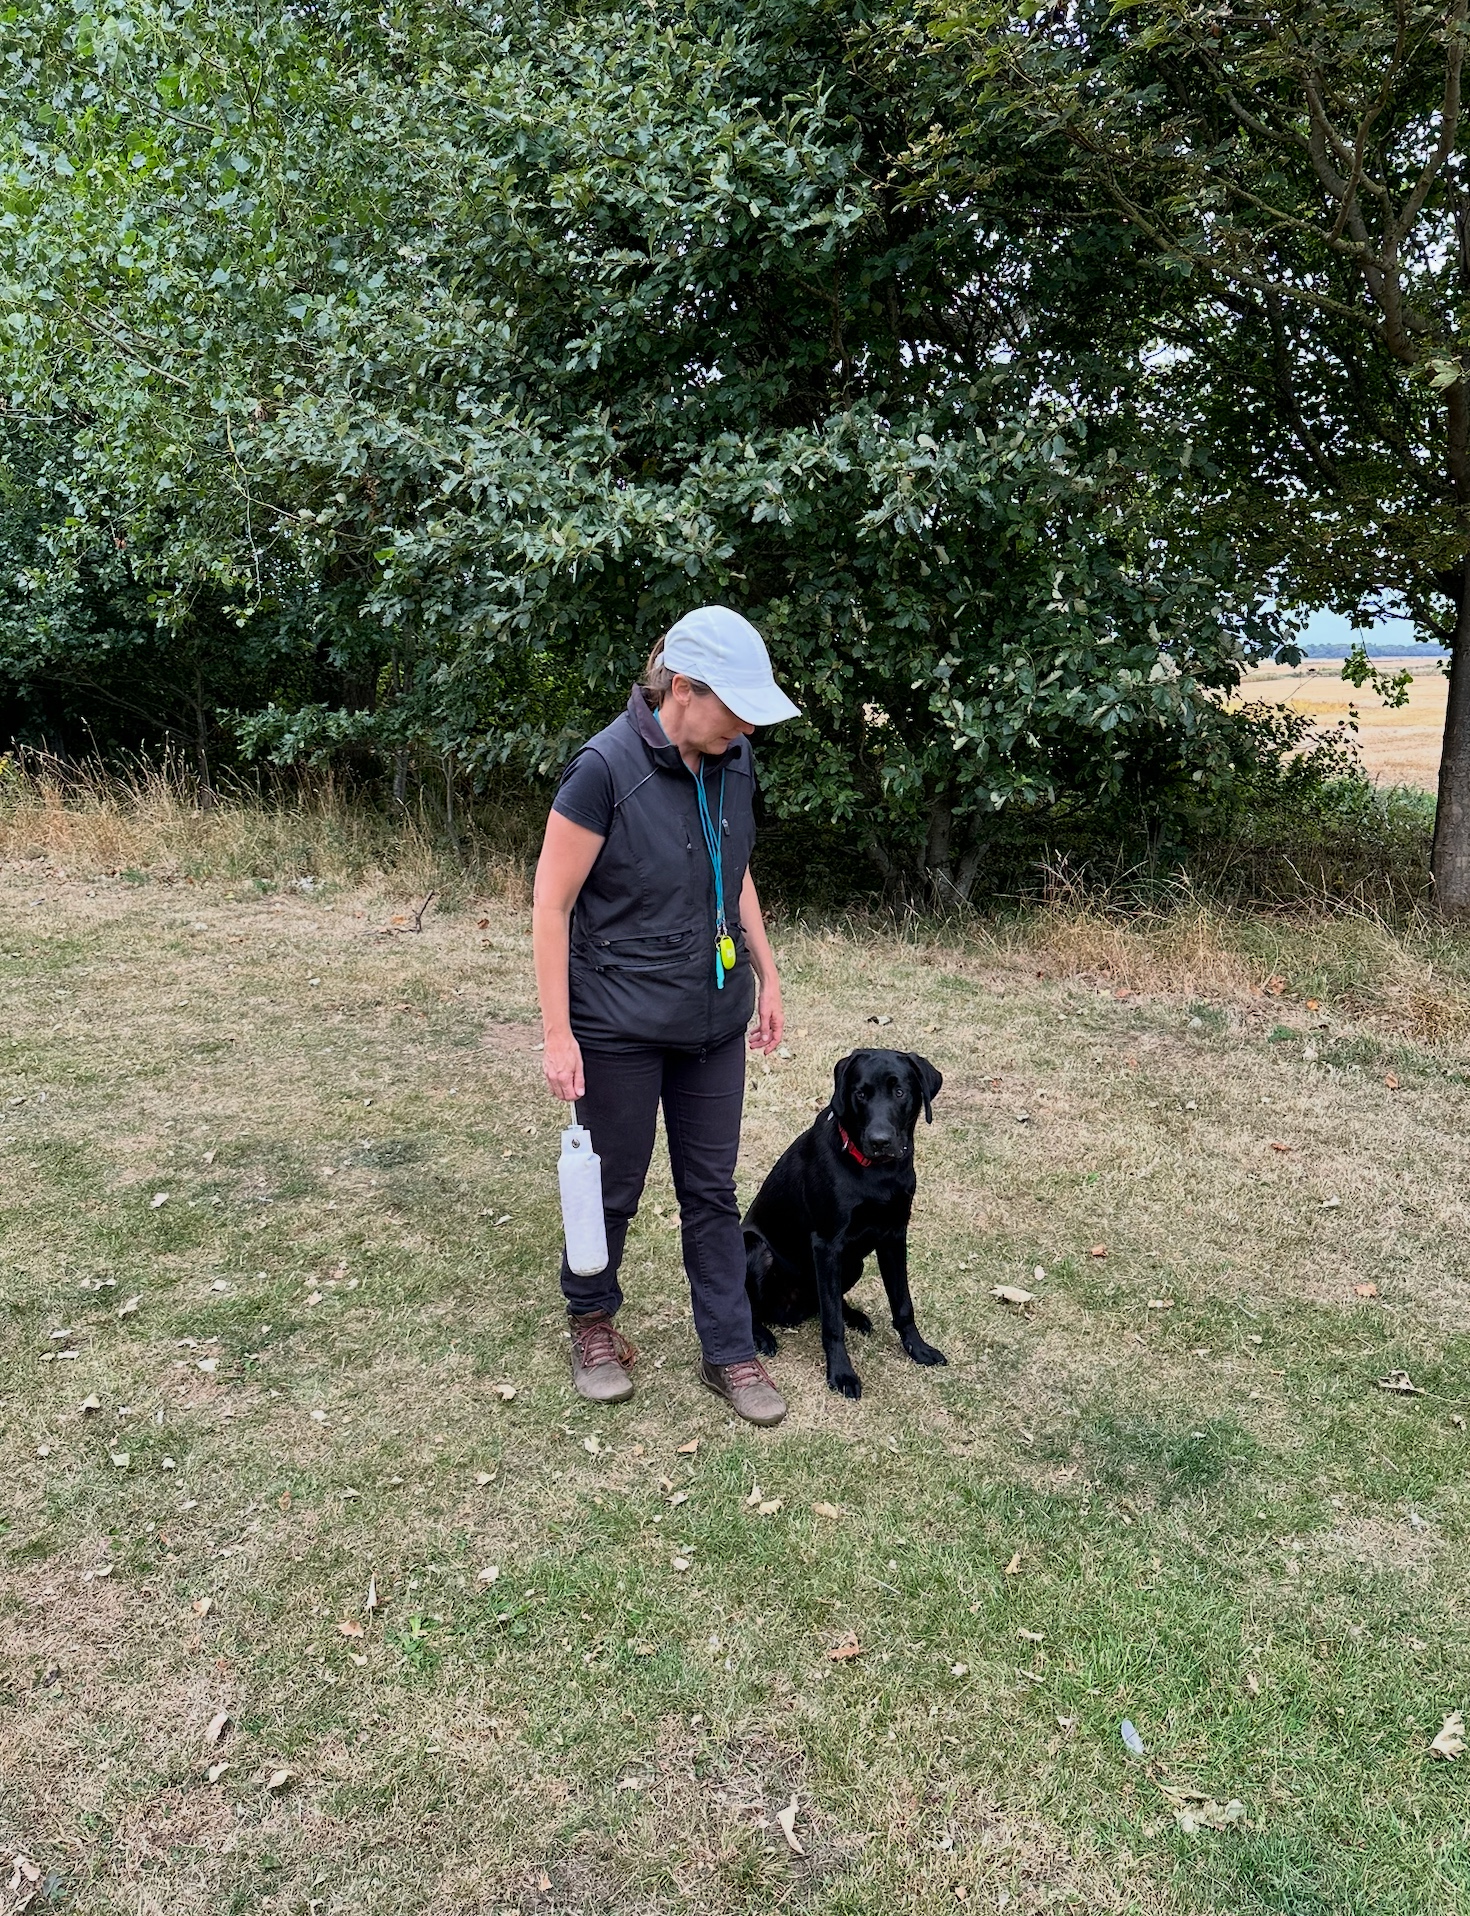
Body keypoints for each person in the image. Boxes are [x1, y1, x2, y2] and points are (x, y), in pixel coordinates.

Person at [531, 606, 800, 1426]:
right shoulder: (604, 769)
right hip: (616, 1019)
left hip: (714, 1020)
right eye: (735, 705)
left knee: (711, 1190)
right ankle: (592, 1321)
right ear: (682, 688)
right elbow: (551, 902)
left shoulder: (735, 756)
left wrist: (768, 970)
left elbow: (737, 869)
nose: (748, 722)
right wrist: (557, 1031)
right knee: (611, 1187)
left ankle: (729, 1350)